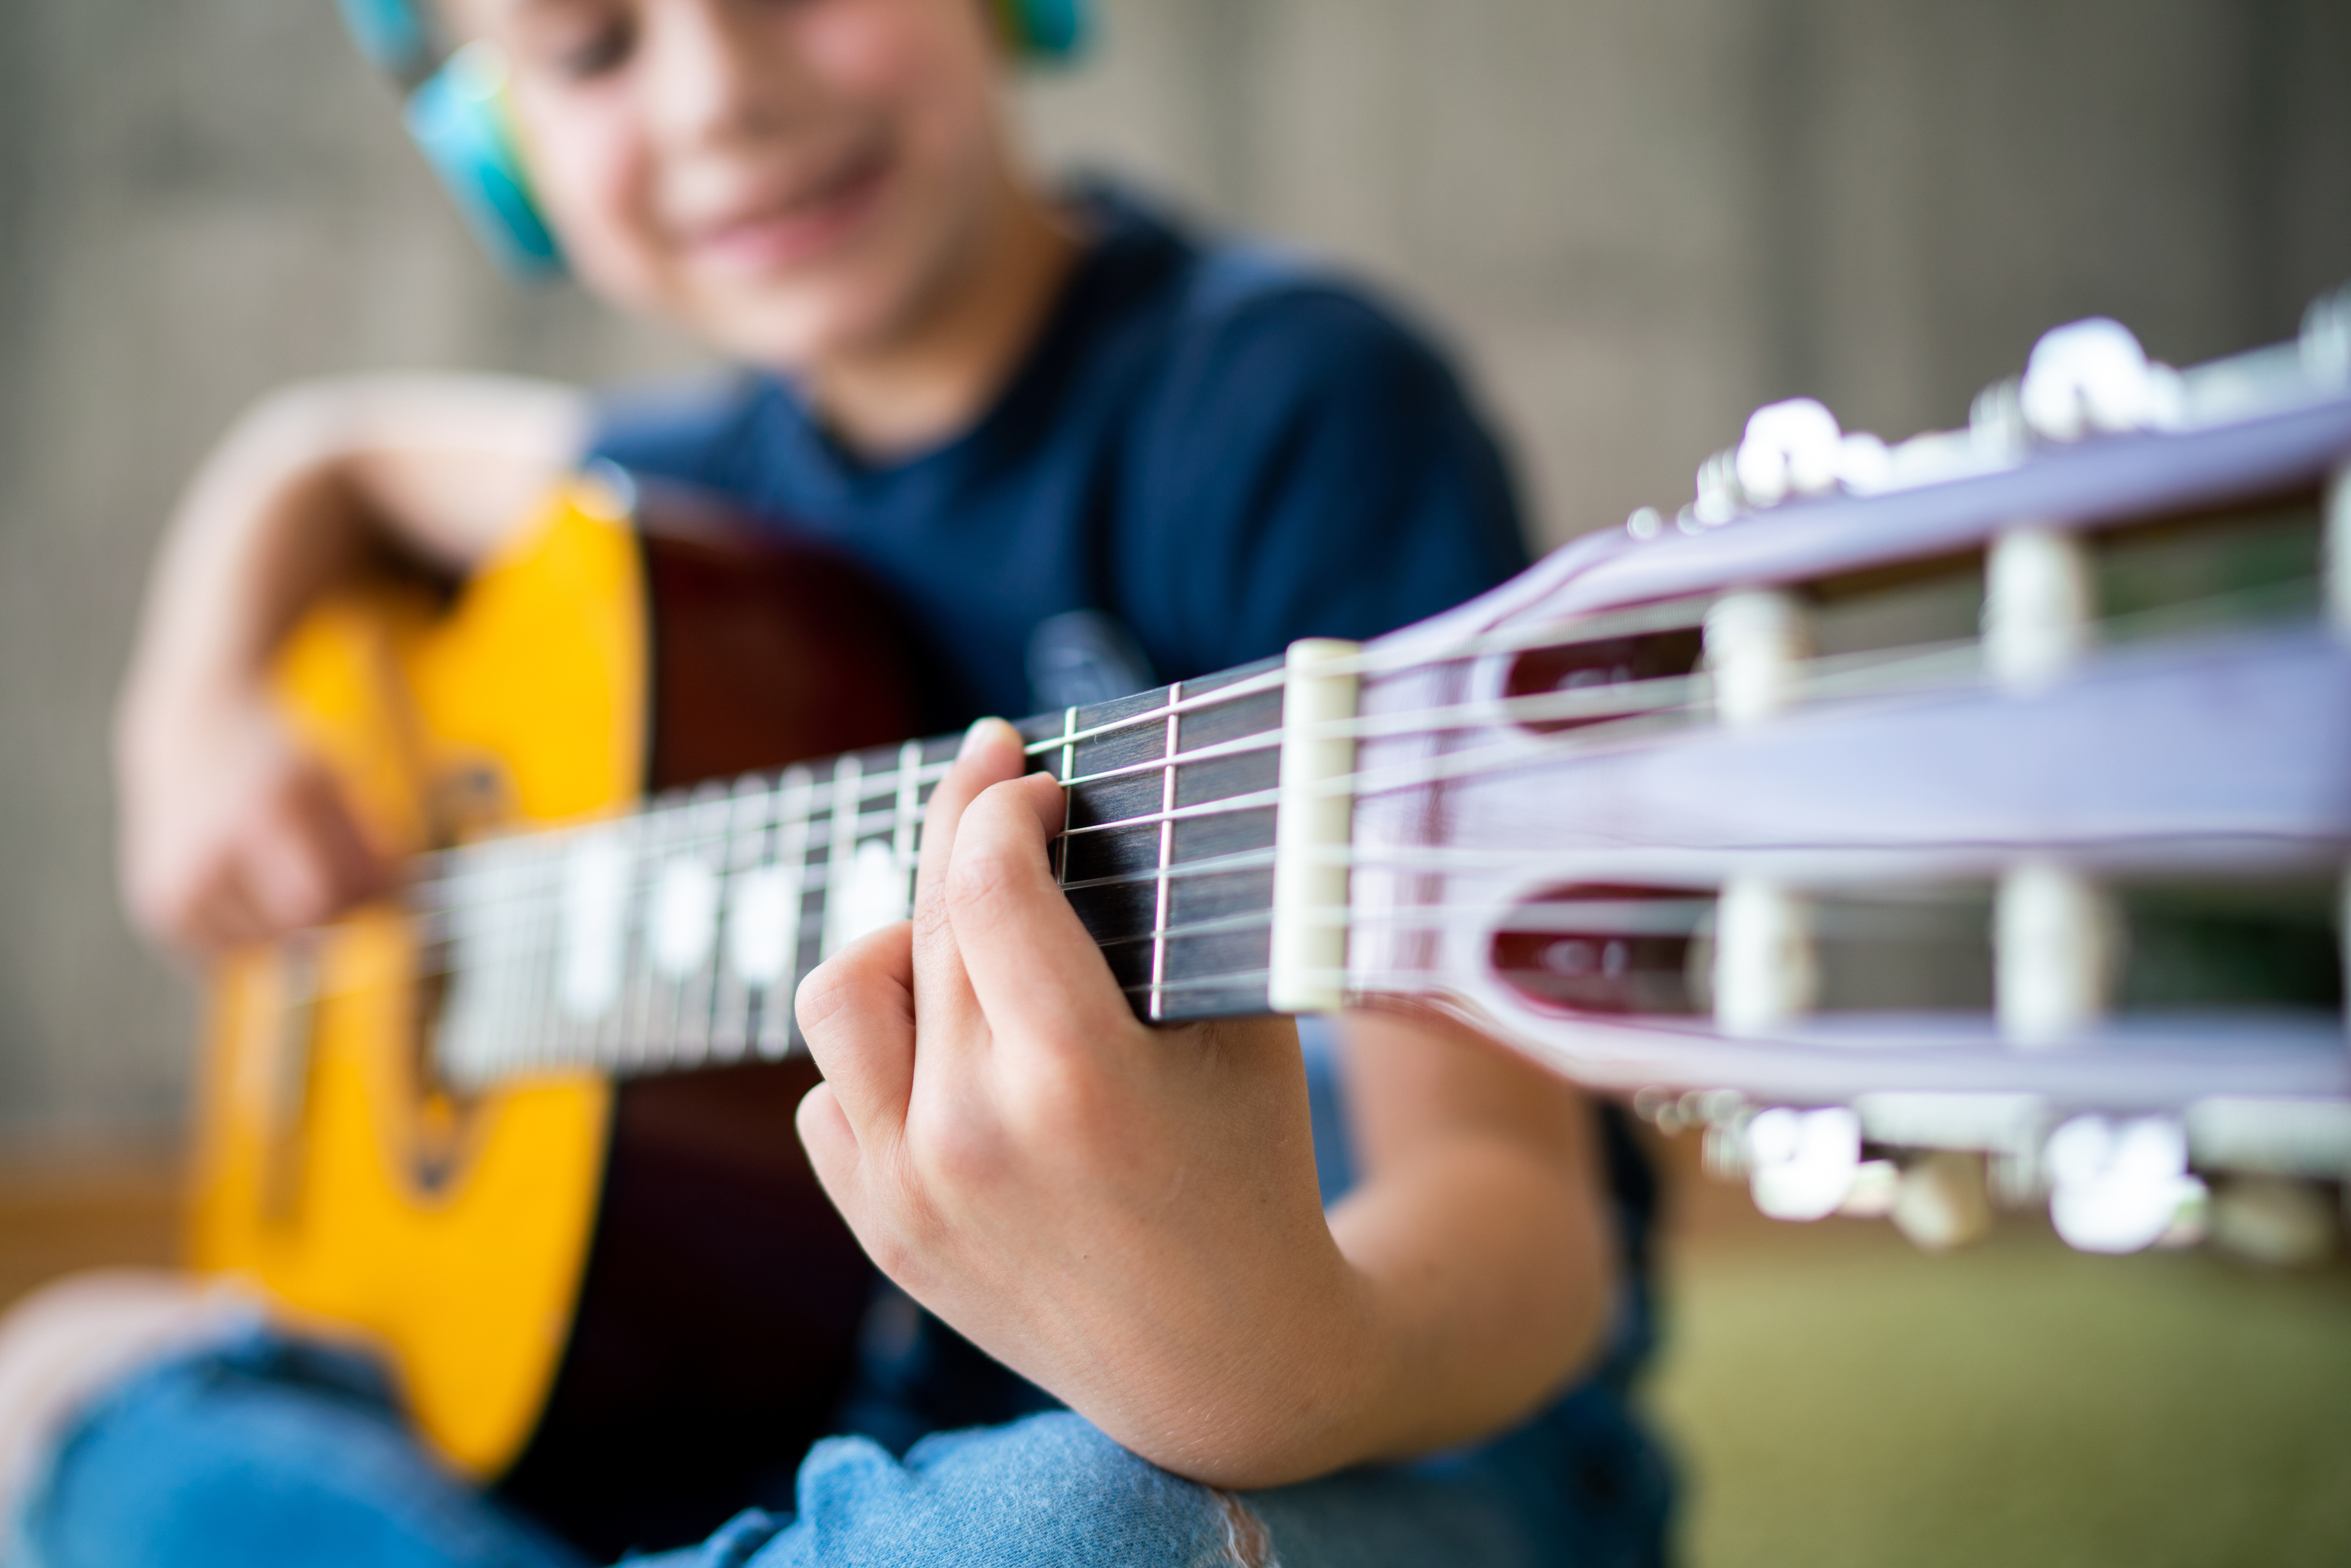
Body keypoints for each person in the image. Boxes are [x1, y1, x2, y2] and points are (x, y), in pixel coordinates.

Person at [2, 0, 1674, 1562]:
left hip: (1383, 1429)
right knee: (52, 1382)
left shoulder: (1280, 407)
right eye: (589, 49)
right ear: (492, 151)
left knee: (1072, 1520)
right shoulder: (674, 515)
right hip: (822, 1430)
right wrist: (191, 710)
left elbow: (1531, 1235)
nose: (719, 92)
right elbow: (329, 460)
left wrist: (1274, 1357)